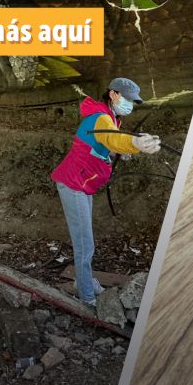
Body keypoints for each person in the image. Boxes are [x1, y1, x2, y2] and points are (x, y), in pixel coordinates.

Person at [49, 78, 161, 308]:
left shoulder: (110, 117)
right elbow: (111, 138)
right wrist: (134, 143)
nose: (130, 104)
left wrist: (119, 152)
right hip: (73, 184)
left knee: (85, 241)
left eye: (133, 101)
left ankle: (85, 281)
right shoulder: (101, 118)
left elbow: (104, 144)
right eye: (127, 99)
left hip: (82, 184)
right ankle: (87, 295)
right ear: (113, 94)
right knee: (84, 244)